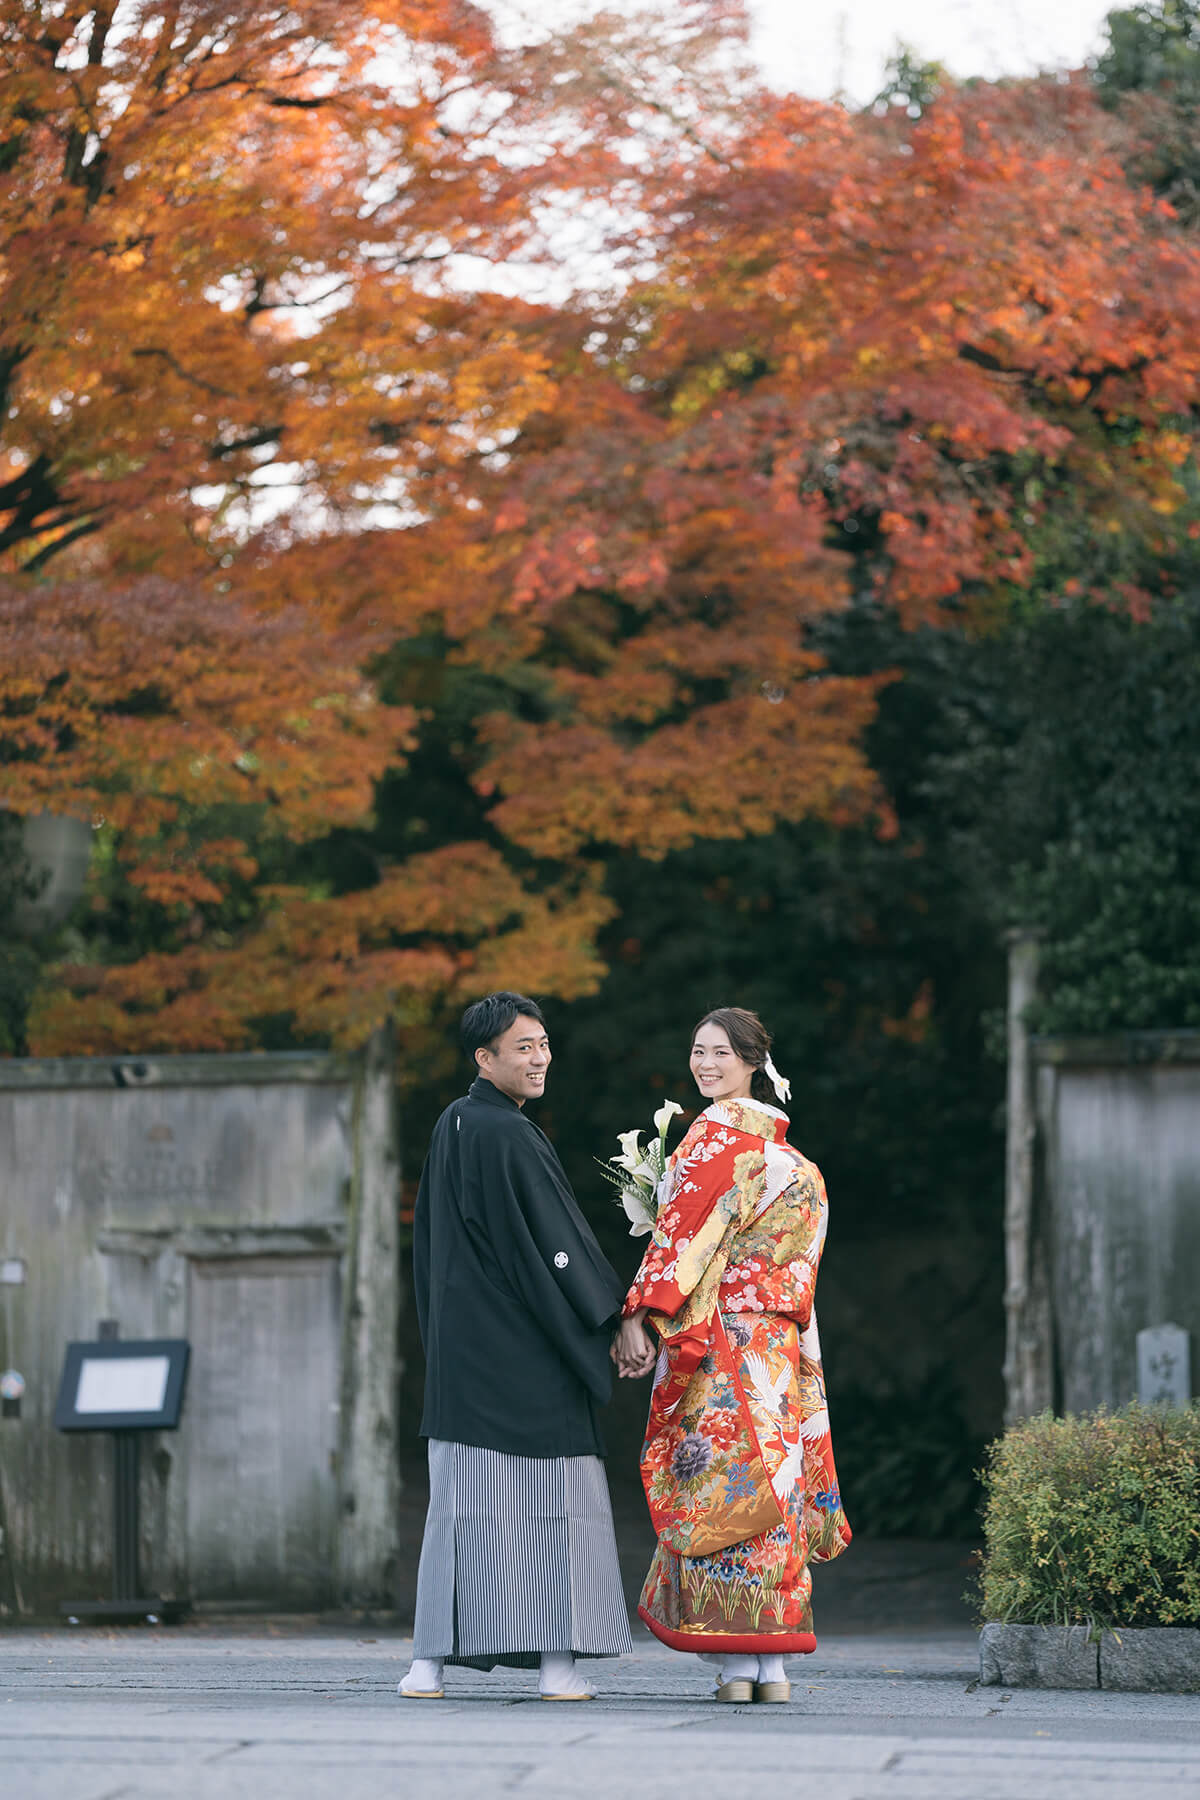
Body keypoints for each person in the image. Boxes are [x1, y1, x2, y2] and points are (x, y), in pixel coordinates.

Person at [613, 1006, 851, 1703]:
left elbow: (683, 1249)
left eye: (720, 1052)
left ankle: (735, 1667)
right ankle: (771, 1666)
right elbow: (803, 1267)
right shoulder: (798, 1164)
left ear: (752, 1060)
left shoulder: (713, 1144)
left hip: (723, 1347)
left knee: (720, 1486)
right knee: (776, 1488)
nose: (705, 1063)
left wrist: (641, 1317)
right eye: (697, 1051)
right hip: (780, 1347)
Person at [400, 991, 634, 1701]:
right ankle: (557, 1668)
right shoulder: (504, 1132)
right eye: (523, 1048)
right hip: (525, 1350)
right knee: (558, 1507)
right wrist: (615, 1317)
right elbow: (558, 1243)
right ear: (485, 1057)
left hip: (465, 1354)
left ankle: (426, 1667)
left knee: (461, 1512)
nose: (540, 1059)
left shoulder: (456, 1122)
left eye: (543, 1044)